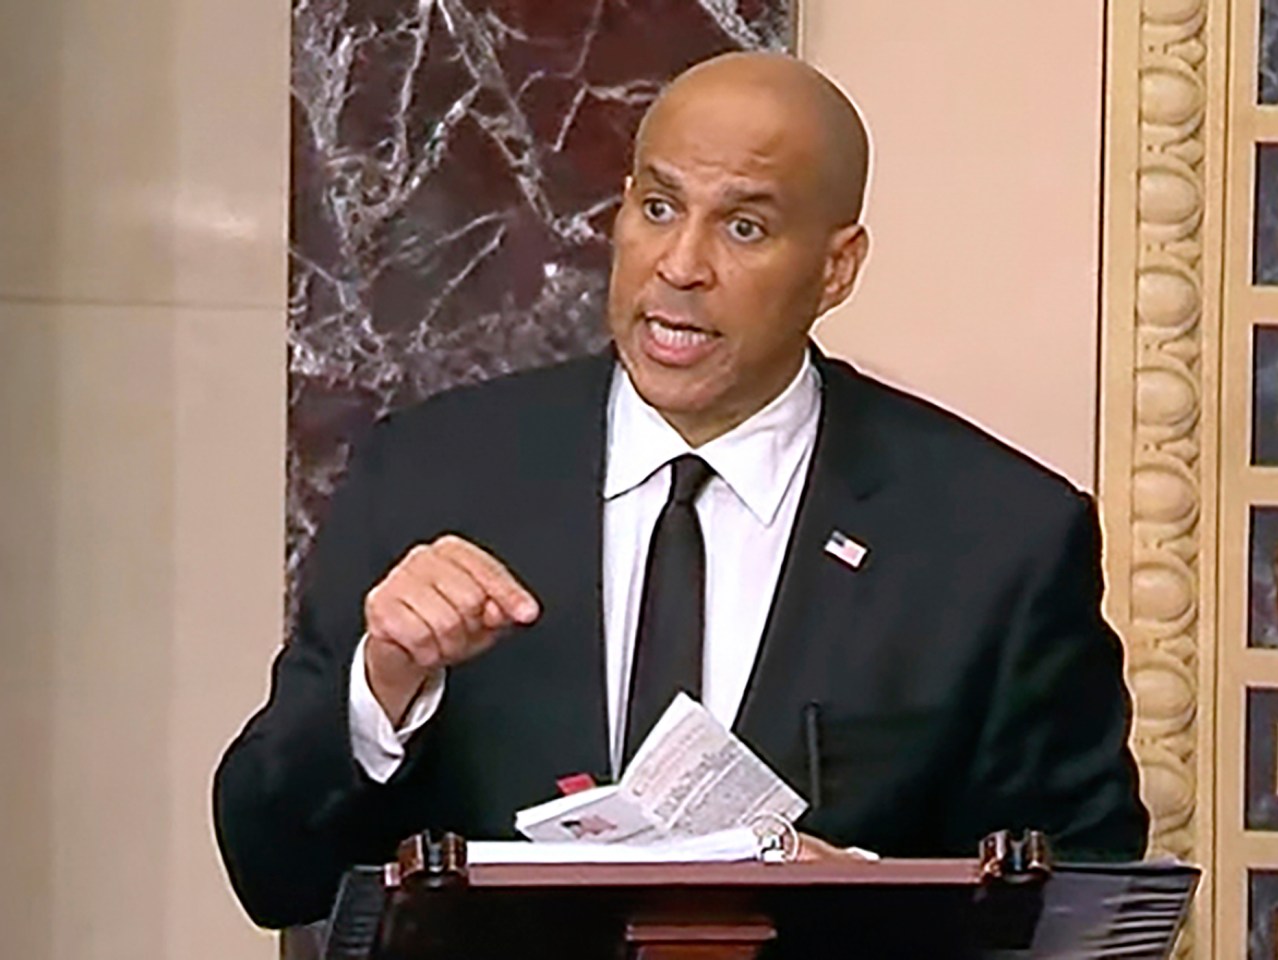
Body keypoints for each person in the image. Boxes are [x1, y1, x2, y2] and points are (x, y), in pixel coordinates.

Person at [213, 51, 1148, 929]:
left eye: (744, 227)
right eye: (659, 208)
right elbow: (270, 867)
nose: (682, 265)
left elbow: (1087, 909)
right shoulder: (430, 475)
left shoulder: (996, 538)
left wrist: (873, 908)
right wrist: (383, 686)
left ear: (836, 267)